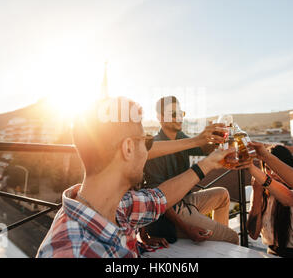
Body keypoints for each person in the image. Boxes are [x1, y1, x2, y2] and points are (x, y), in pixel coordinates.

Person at [36, 97, 236, 258]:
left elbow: (159, 197)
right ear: (128, 148)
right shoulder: (70, 251)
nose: (150, 150)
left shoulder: (121, 206)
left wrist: (209, 162)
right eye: (146, 142)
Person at [143, 96, 239, 246]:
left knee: (223, 195)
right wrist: (186, 228)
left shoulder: (181, 137)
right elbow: (159, 201)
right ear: (160, 118)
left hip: (186, 200)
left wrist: (216, 140)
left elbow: (200, 149)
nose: (179, 118)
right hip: (171, 212)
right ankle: (221, 241)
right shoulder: (155, 148)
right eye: (173, 114)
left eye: (181, 113)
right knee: (233, 238)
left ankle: (218, 242)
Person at [246, 145, 293, 258]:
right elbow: (253, 234)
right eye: (268, 168)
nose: (274, 173)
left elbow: (288, 199)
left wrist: (253, 170)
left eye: (277, 168)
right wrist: (256, 193)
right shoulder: (261, 193)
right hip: (272, 253)